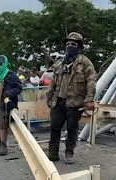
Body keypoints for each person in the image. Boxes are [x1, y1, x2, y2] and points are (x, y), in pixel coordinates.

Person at [46, 32, 96, 164]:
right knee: (54, 127)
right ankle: (52, 153)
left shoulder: (85, 63)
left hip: (75, 103)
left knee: (72, 129)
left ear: (79, 46)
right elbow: (53, 82)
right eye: (68, 44)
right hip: (59, 101)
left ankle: (69, 153)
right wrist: (49, 97)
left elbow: (91, 81)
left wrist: (89, 100)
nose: (70, 46)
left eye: (73, 44)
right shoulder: (59, 63)